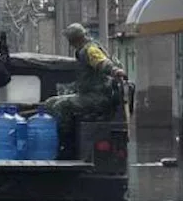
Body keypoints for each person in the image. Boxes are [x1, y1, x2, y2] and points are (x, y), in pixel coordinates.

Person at [43, 22, 128, 155]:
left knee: (61, 106)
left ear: (74, 39)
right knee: (50, 103)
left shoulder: (90, 50)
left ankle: (67, 146)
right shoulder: (82, 50)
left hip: (98, 97)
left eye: (70, 40)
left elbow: (102, 62)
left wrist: (115, 71)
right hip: (87, 94)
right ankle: (53, 141)